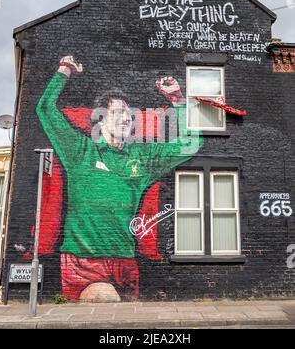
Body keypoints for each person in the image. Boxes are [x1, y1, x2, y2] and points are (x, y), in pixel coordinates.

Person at [37, 56, 203, 302]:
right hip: (83, 263)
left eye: (128, 113)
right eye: (117, 112)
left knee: (124, 320)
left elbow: (190, 144)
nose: (126, 117)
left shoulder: (143, 157)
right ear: (100, 120)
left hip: (126, 261)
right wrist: (63, 71)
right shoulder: (80, 150)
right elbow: (45, 110)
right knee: (106, 301)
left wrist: (178, 101)